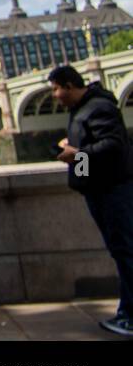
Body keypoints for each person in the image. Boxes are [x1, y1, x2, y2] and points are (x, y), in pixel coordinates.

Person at [49, 64, 133, 338]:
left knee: (126, 251)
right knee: (121, 251)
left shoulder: (99, 107)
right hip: (98, 190)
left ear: (69, 85)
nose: (54, 95)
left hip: (112, 190)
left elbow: (114, 146)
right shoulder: (81, 109)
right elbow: (93, 144)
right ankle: (127, 311)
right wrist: (70, 146)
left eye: (55, 89)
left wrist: (78, 155)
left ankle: (131, 317)